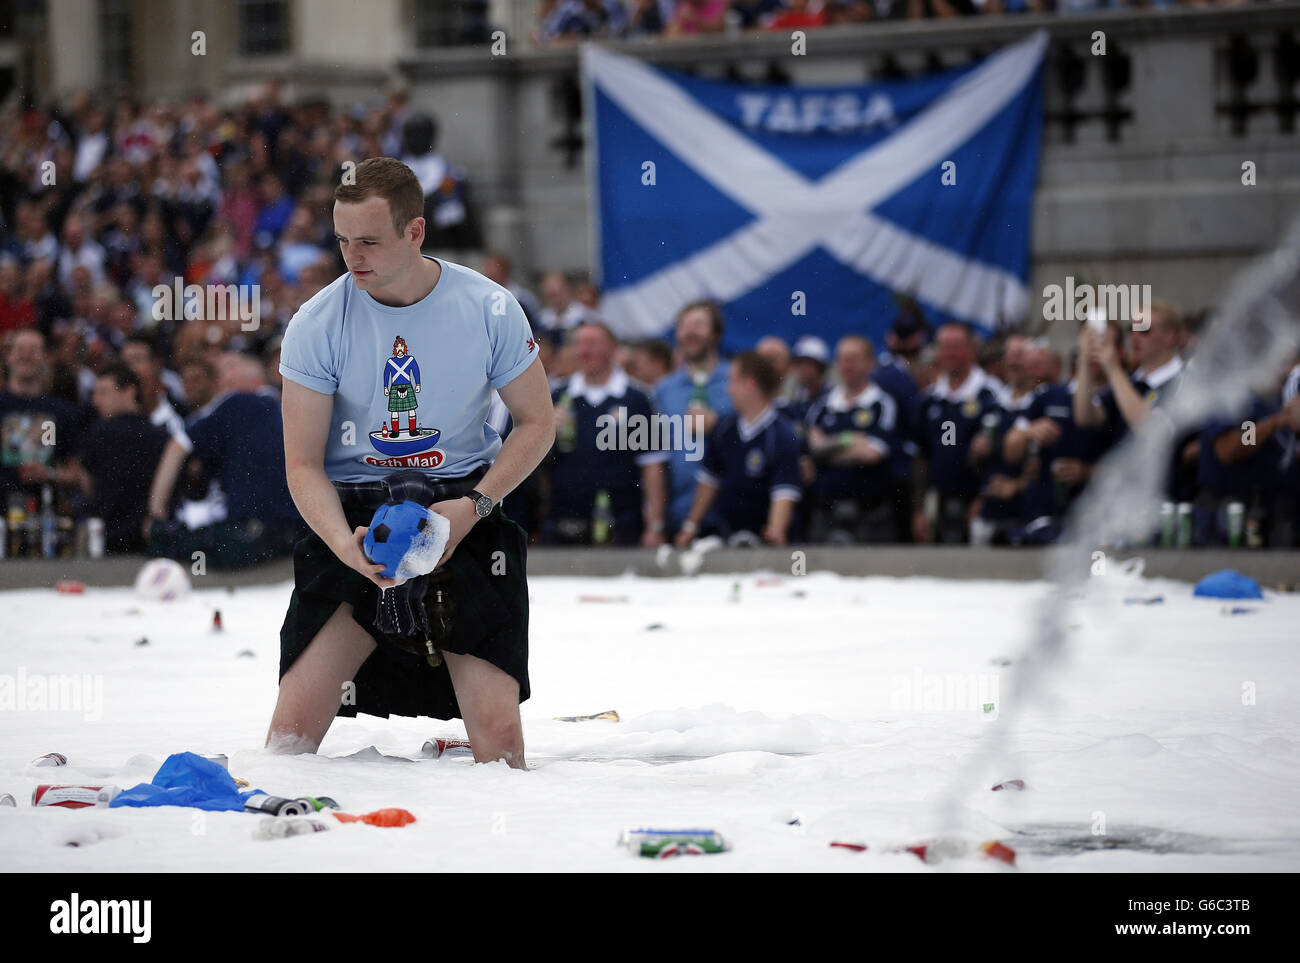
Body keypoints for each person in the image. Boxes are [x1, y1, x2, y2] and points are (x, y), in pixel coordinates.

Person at [266, 157, 553, 769]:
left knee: (501, 752)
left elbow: (537, 425)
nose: (352, 257)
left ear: (415, 232)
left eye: (369, 240)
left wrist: (473, 508)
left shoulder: (489, 308)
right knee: (286, 744)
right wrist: (348, 548)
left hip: (463, 510)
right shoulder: (316, 323)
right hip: (353, 519)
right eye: (342, 241)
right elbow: (302, 466)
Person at [546, 320, 668, 547]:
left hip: (622, 522)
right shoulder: (557, 394)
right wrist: (545, 434)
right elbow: (536, 463)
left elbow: (653, 466)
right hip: (565, 520)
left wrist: (655, 525)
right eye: (580, 344)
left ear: (613, 349)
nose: (584, 350)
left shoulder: (636, 397)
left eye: (592, 343)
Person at [675, 351, 802, 547]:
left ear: (750, 385)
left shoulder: (782, 436)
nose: (728, 390)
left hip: (764, 540)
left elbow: (784, 493)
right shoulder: (724, 429)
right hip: (727, 535)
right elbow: (709, 481)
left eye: (732, 382)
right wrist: (690, 527)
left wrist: (776, 531)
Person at [805, 335, 900, 542]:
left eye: (854, 359)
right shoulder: (821, 406)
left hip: (870, 516)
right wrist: (849, 439)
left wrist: (827, 452)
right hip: (826, 513)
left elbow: (871, 454)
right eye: (843, 359)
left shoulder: (882, 404)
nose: (847, 365)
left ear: (870, 363)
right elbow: (814, 448)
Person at [653, 300, 733, 536]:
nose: (690, 332)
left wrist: (719, 425)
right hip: (676, 517)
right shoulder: (663, 389)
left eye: (698, 325)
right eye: (684, 326)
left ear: (716, 334)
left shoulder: (737, 380)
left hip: (728, 516)